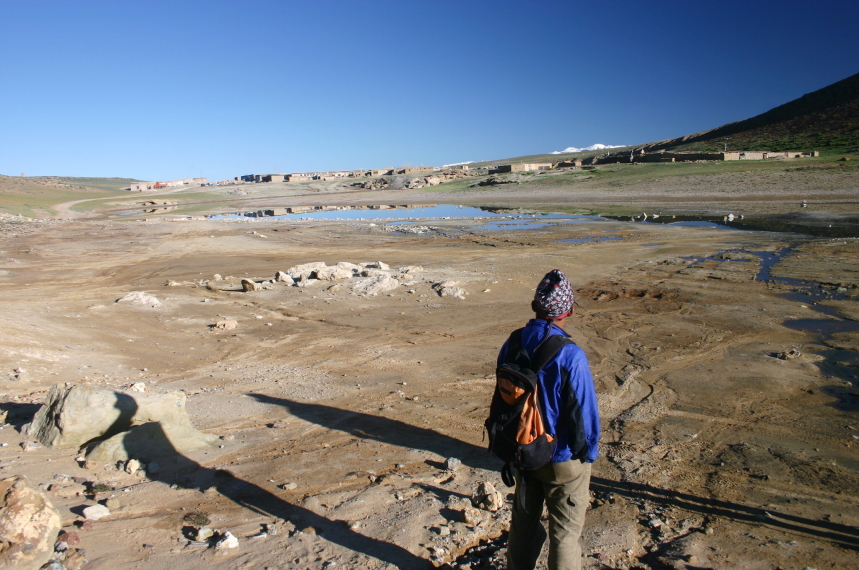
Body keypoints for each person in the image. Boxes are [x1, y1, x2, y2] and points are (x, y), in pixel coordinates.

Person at [499, 269, 601, 570]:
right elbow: (586, 413)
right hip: (562, 458)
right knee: (565, 536)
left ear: (535, 306)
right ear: (567, 310)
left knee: (523, 527)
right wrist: (588, 455)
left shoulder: (513, 342)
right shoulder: (571, 355)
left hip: (524, 452)